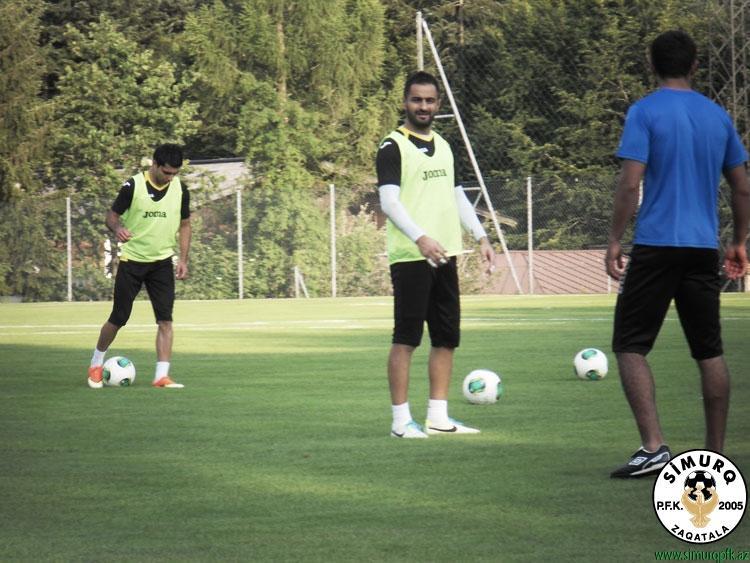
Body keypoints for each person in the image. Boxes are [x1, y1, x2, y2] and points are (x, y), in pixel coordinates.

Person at [606, 31, 750, 477]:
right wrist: (739, 241)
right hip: (701, 248)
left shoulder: (644, 111)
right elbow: (743, 187)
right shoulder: (717, 117)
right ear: (694, 66)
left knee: (630, 345)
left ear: (652, 66)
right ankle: (715, 454)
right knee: (709, 351)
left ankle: (653, 447)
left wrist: (614, 239)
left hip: (656, 245)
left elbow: (630, 183)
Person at [376, 71, 495, 438]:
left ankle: (438, 418)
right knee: (406, 338)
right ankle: (400, 422)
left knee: (446, 338)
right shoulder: (392, 146)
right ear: (405, 102)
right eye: (417, 99)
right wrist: (420, 238)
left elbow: (457, 196)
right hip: (412, 257)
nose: (423, 106)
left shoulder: (444, 146)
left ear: (438, 104)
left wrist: (481, 236)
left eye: (429, 100)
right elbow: (389, 202)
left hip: (445, 255)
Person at [87, 143, 192, 389]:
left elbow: (185, 224)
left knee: (165, 320)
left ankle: (161, 376)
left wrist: (183, 259)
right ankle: (96, 365)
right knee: (118, 318)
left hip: (162, 263)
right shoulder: (133, 186)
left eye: (175, 173)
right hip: (132, 261)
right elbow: (111, 216)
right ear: (155, 164)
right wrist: (117, 228)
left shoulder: (181, 189)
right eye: (166, 172)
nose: (170, 177)